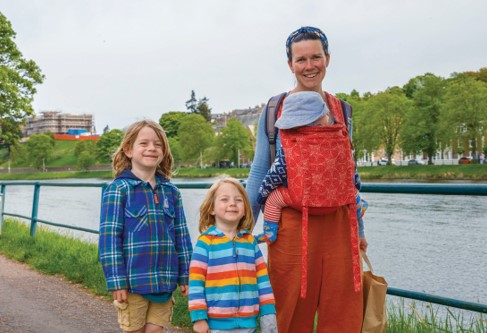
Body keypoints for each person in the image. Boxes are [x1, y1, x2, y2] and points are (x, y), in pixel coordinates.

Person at [244, 26, 367, 332]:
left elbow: (348, 174)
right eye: (301, 60)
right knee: (288, 309)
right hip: (290, 225)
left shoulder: (344, 110)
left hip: (340, 226)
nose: (309, 65)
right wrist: (242, 231)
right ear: (290, 64)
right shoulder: (275, 110)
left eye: (316, 57)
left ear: (328, 58)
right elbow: (260, 170)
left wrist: (360, 230)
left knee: (341, 314)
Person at [98, 120, 193, 333]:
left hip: (164, 282)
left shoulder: (171, 192)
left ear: (164, 151)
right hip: (132, 283)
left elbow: (182, 236)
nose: (151, 148)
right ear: (129, 150)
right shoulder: (118, 190)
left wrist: (186, 275)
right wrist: (116, 280)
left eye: (157, 144)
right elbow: (109, 240)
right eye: (144, 143)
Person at [256, 91, 368, 248]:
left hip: (301, 201)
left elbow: (274, 175)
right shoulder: (339, 141)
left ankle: (270, 232)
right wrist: (355, 191)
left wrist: (262, 196)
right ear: (325, 117)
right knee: (351, 190)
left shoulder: (291, 147)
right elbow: (351, 174)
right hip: (335, 201)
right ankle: (359, 205)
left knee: (274, 200)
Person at [188, 177, 277, 333]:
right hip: (216, 326)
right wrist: (199, 318)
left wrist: (268, 314)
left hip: (248, 324)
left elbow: (263, 281)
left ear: (245, 210)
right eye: (224, 199)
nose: (232, 203)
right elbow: (196, 285)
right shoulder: (205, 243)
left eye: (238, 200)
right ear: (212, 208)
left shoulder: (250, 242)